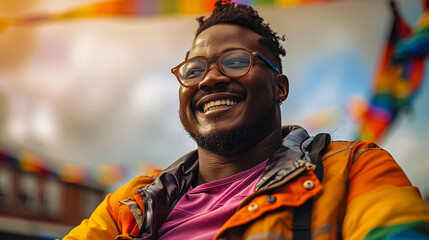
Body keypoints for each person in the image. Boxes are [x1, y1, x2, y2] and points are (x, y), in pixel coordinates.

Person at [62, 1, 429, 239]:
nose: (208, 79)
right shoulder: (133, 203)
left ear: (279, 87)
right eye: (193, 70)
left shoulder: (353, 170)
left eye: (236, 61)